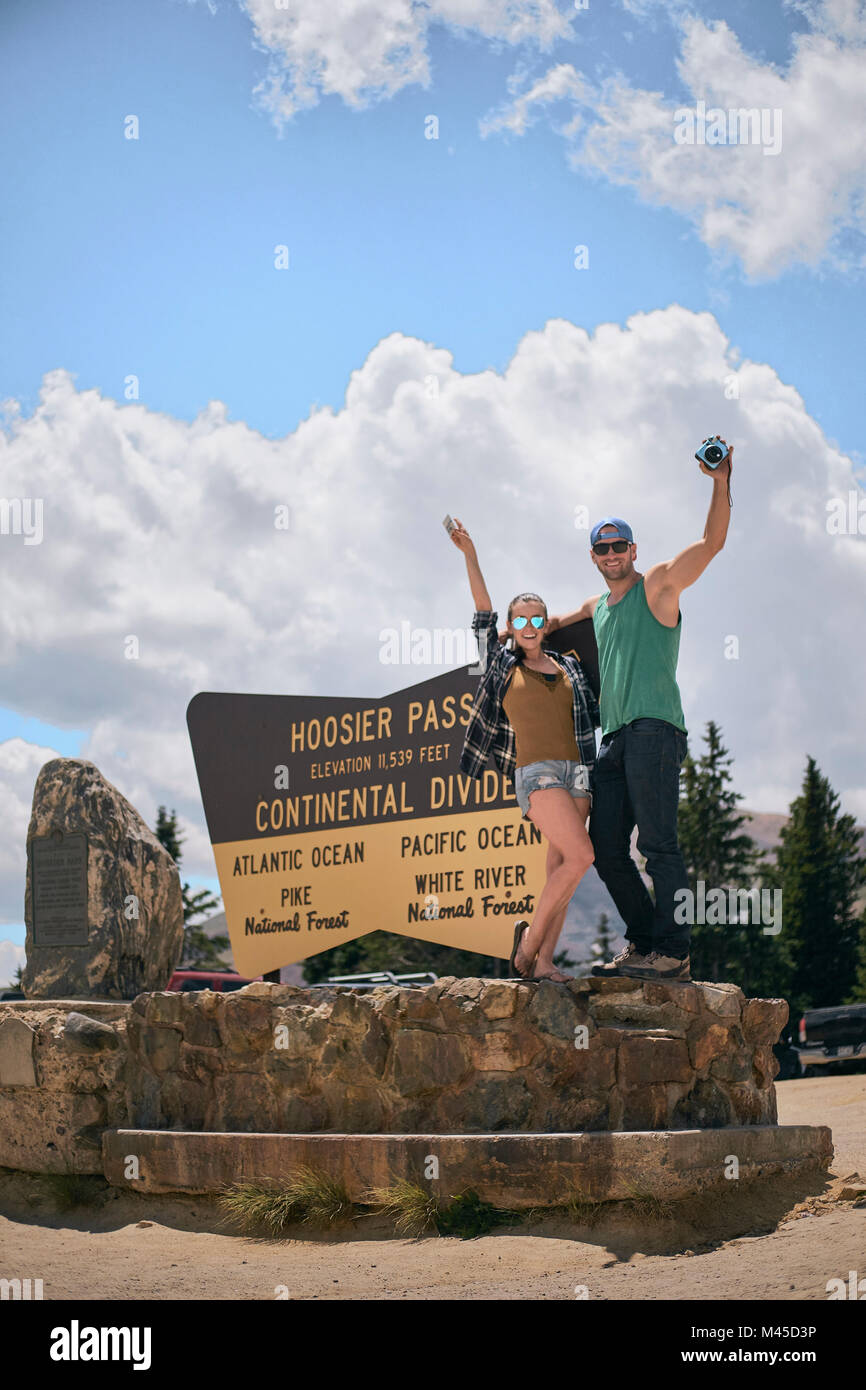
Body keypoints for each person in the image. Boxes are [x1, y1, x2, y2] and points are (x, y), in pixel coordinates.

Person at [548, 444, 733, 982]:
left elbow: (711, 544)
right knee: (605, 849)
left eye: (619, 545)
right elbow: (551, 621)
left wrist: (720, 480)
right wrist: (517, 629)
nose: (611, 553)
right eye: (602, 547)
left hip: (655, 729)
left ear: (633, 549)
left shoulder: (657, 584)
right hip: (615, 739)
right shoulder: (595, 607)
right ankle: (645, 942)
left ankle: (673, 951)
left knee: (656, 844)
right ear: (594, 555)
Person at [449, 518, 599, 983]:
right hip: (537, 775)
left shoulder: (569, 666)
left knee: (561, 866)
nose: (530, 625)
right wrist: (470, 554)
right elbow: (482, 609)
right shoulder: (498, 661)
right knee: (583, 857)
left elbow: (596, 613)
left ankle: (546, 963)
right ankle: (527, 947)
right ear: (512, 627)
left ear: (545, 624)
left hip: (579, 772)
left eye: (538, 618)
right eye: (521, 619)